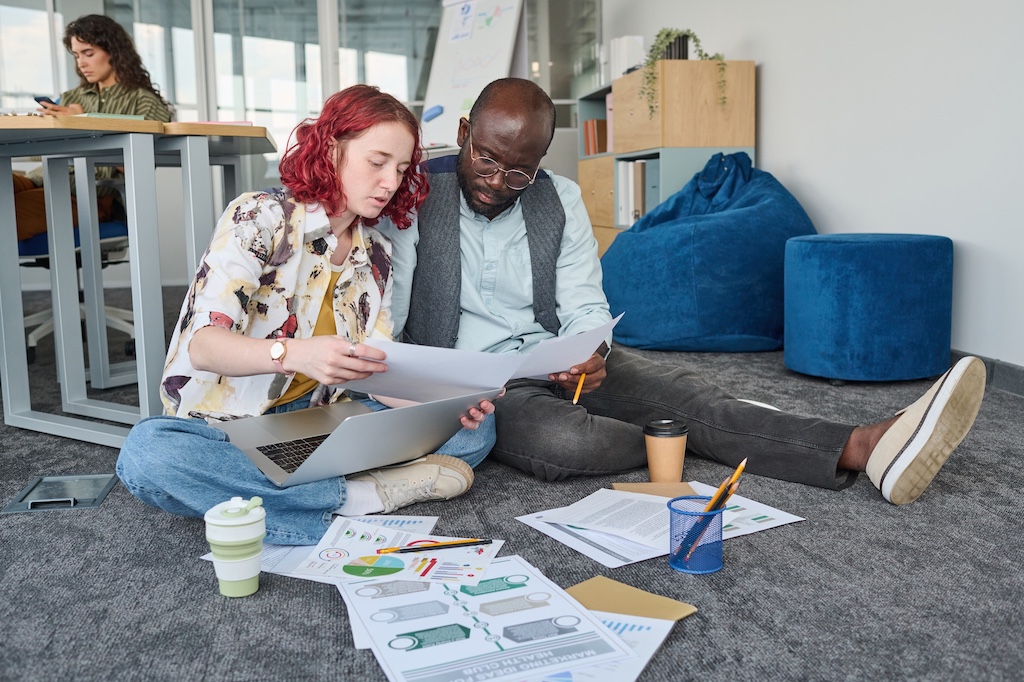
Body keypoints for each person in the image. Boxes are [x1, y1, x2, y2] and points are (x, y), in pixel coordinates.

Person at [377, 77, 987, 506]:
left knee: (690, 392)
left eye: (520, 170)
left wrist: (590, 350)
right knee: (568, 443)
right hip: (478, 384)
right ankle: (703, 432)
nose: (498, 181)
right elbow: (392, 317)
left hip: (555, 361)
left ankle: (863, 445)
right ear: (464, 132)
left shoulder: (557, 199)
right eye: (486, 159)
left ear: (540, 159)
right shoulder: (415, 200)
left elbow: (585, 301)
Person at [116, 85, 496, 545]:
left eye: (400, 169)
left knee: (478, 428)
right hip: (230, 430)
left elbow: (373, 370)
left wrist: (444, 409)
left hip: (318, 421)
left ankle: (286, 492)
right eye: (377, 163)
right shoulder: (259, 217)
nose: (390, 183)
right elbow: (203, 346)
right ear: (332, 148)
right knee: (149, 456)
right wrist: (293, 353)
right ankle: (358, 497)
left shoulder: (376, 254)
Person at [13, 14, 173, 242]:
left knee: (9, 214)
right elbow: (38, 155)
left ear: (114, 52)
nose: (81, 63)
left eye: (89, 54)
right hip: (39, 178)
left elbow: (141, 166)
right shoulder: (71, 97)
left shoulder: (143, 101)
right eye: (76, 55)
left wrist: (82, 122)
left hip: (87, 193)